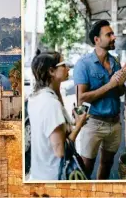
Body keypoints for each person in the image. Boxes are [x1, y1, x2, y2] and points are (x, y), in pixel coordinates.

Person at [74, 20, 126, 180]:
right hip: (93, 124)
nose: (114, 37)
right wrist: (111, 84)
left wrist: (121, 84)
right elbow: (80, 98)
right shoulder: (83, 64)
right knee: (86, 167)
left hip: (115, 123)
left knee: (107, 163)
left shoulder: (115, 62)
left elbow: (119, 93)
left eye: (113, 34)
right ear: (97, 39)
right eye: (109, 34)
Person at [28, 50, 88, 181]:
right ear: (51, 71)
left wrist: (71, 123)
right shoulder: (51, 104)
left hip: (40, 171)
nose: (68, 67)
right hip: (54, 175)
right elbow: (60, 151)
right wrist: (79, 125)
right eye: (64, 64)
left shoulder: (35, 97)